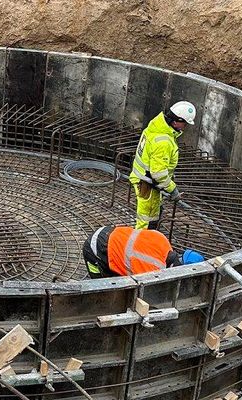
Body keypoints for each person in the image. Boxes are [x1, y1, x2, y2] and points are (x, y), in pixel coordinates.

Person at [129, 100, 196, 229]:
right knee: (146, 222)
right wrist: (173, 190)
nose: (185, 127)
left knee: (151, 216)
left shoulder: (156, 126)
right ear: (176, 121)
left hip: (145, 180)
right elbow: (158, 174)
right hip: (147, 184)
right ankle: (141, 246)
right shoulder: (163, 141)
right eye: (185, 123)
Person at [84, 225, 206, 279]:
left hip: (108, 231)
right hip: (95, 249)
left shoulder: (163, 240)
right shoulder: (151, 270)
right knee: (104, 292)